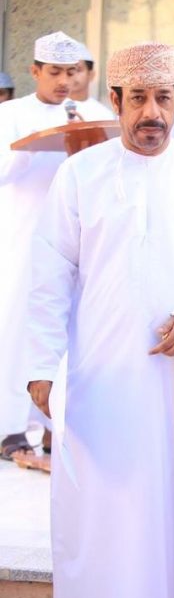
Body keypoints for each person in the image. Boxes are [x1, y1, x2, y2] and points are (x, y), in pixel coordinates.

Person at [24, 41, 174, 598]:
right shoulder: (80, 175)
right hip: (100, 382)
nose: (151, 113)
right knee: (102, 521)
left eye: (163, 98)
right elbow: (49, 274)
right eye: (138, 98)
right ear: (114, 100)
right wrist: (40, 366)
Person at [0, 31, 113, 461]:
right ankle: (10, 426)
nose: (65, 81)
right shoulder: (11, 113)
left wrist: (82, 142)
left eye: (72, 72)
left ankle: (56, 427)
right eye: (55, 72)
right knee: (16, 327)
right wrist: (36, 142)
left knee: (72, 327)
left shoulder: (94, 113)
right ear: (35, 71)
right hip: (23, 237)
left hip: (76, 239)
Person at [69, 42, 116, 119]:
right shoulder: (50, 109)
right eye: (68, 70)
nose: (72, 74)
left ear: (91, 74)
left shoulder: (104, 115)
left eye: (77, 69)